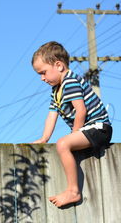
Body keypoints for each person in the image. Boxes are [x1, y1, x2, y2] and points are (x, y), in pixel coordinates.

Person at [31, 41, 112, 208]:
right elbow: (51, 115)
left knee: (63, 144)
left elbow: (80, 110)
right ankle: (72, 189)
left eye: (43, 72)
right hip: (88, 129)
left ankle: (73, 191)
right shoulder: (56, 90)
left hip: (99, 128)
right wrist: (44, 138)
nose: (42, 78)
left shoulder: (70, 82)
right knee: (63, 144)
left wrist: (74, 134)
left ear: (59, 65)